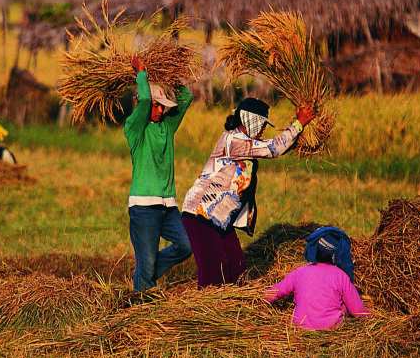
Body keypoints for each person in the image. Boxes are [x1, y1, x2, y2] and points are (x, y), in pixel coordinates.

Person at [181, 98, 315, 289]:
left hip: (220, 217)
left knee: (236, 266)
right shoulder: (233, 140)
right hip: (201, 214)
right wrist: (298, 124)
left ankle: (231, 306)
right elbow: (273, 148)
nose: (263, 130)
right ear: (249, 120)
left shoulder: (247, 144)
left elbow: (275, 147)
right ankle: (206, 311)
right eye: (261, 124)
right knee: (215, 271)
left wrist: (297, 128)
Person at [124, 55, 193, 293]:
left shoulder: (167, 126)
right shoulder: (135, 130)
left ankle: (147, 274)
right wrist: (141, 73)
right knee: (148, 260)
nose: (159, 110)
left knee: (185, 246)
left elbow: (186, 97)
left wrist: (171, 75)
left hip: (168, 206)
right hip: (143, 208)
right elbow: (144, 100)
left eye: (161, 105)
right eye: (155, 105)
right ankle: (141, 304)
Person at [265, 227, 369, 330]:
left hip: (301, 328)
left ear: (315, 249)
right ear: (333, 254)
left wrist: (256, 297)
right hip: (332, 330)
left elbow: (272, 294)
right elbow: (358, 311)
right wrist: (373, 321)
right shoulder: (341, 276)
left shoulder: (300, 272)